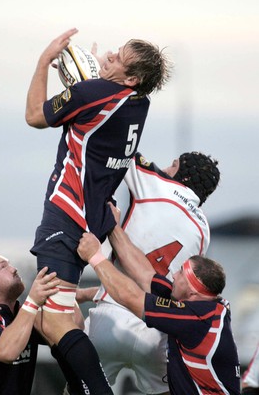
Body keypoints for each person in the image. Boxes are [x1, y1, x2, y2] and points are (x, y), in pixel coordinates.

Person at [25, 28, 171, 394]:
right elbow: (97, 107)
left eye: (118, 57)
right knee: (64, 316)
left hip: (66, 213)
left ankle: (96, 389)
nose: (108, 54)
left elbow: (34, 116)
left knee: (53, 321)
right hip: (94, 220)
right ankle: (82, 387)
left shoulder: (91, 94)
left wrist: (45, 59)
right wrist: (84, 84)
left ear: (132, 77)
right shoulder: (139, 103)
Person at [84, 151, 220, 394]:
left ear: (183, 173)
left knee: (78, 386)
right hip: (157, 331)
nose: (167, 168)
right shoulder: (204, 231)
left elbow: (123, 149)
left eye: (173, 164)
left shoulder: (157, 183)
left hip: (110, 314)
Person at [77, 227, 241, 395]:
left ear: (193, 289)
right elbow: (145, 274)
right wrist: (113, 227)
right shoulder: (204, 308)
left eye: (182, 273)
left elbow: (130, 297)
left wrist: (95, 257)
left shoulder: (196, 317)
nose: (174, 275)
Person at [0, 252, 60, 395]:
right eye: (3, 267)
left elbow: (72, 328)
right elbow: (6, 352)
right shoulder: (26, 312)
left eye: (10, 264)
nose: (13, 269)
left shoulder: (24, 314)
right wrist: (32, 301)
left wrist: (64, 288)